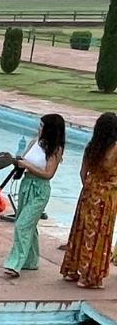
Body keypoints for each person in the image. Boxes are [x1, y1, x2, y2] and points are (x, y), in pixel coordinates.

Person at [3, 113, 66, 278]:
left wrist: (28, 165)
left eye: (41, 126)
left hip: (40, 190)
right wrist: (17, 162)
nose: (38, 129)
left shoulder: (55, 150)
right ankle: (31, 261)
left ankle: (14, 264)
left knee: (22, 225)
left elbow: (48, 174)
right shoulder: (33, 143)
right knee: (27, 223)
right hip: (26, 185)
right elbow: (23, 161)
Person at [62, 112, 117, 288]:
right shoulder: (115, 148)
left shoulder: (92, 146)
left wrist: (90, 188)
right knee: (99, 236)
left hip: (88, 192)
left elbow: (82, 173)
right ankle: (90, 276)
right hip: (106, 197)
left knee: (81, 230)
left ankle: (72, 270)